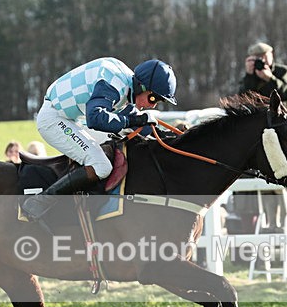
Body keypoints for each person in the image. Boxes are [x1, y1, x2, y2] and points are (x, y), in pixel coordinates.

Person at [19, 57, 177, 221]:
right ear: (140, 86)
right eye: (153, 98)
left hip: (76, 120)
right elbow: (96, 118)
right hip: (54, 119)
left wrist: (170, 136)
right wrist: (134, 121)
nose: (153, 105)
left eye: (159, 101)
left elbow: (139, 125)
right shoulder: (114, 83)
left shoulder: (127, 86)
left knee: (118, 145)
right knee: (102, 166)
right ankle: (39, 203)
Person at [239, 42, 287, 112]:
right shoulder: (251, 75)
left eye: (263, 56)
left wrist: (270, 78)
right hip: (261, 120)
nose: (261, 59)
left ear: (271, 55)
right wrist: (249, 76)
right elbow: (244, 100)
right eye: (257, 57)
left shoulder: (282, 71)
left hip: (282, 118)